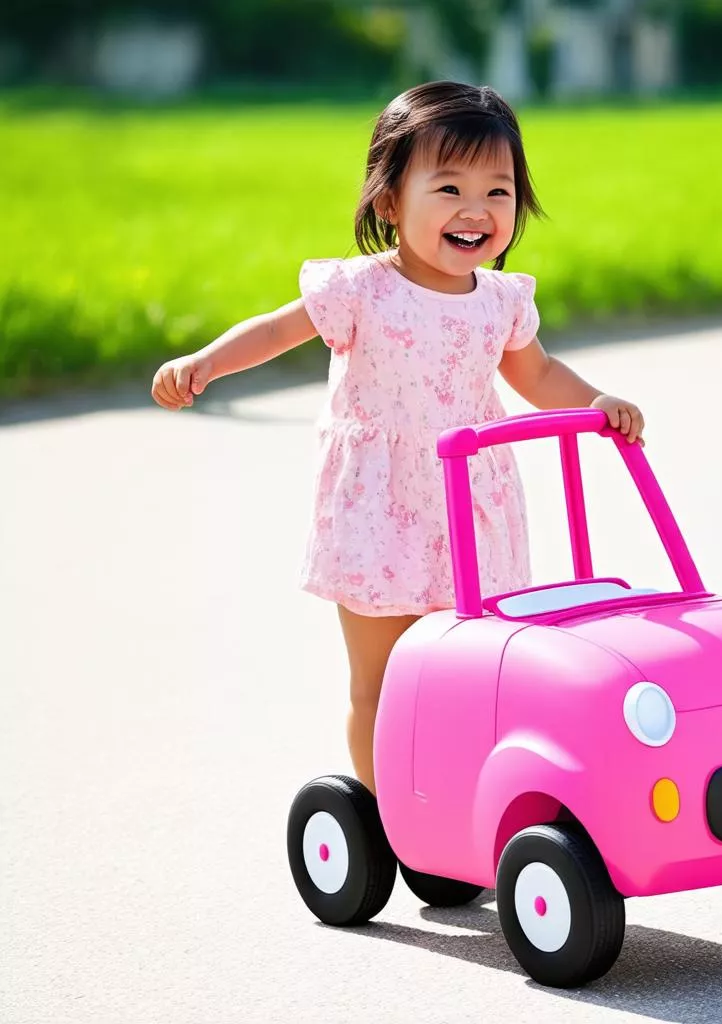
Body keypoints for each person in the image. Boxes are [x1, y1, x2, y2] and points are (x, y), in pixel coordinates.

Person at [151, 81, 645, 795]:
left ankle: (463, 799)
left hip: (469, 507)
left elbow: (537, 374)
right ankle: (389, 811)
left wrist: (597, 403)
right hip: (379, 508)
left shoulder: (500, 301)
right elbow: (277, 330)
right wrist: (205, 364)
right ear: (389, 202)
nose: (475, 210)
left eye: (498, 192)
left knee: (474, 671)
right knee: (381, 681)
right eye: (448, 189)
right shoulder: (361, 289)